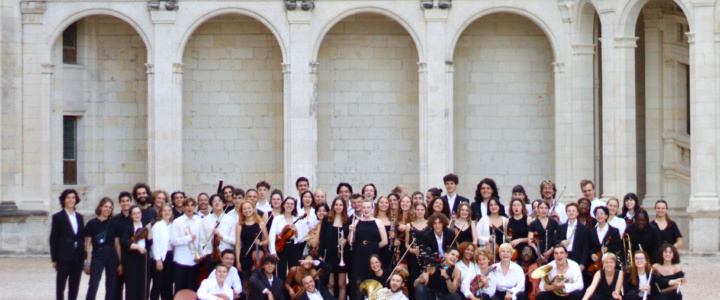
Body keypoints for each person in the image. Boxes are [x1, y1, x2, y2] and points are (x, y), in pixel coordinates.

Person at [50, 189, 86, 300]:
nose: (71, 200)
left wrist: (83, 254)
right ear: (64, 200)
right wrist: (54, 259)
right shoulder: (58, 217)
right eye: (68, 197)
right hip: (63, 257)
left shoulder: (79, 217)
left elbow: (81, 237)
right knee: (61, 286)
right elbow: (53, 238)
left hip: (77, 257)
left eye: (73, 197)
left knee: (74, 287)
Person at [349, 199, 388, 299]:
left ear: (372, 209)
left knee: (371, 278)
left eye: (368, 207)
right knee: (358, 279)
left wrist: (372, 247)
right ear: (361, 209)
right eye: (364, 208)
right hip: (359, 255)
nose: (366, 210)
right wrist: (351, 231)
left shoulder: (378, 222)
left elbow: (385, 241)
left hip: (373, 254)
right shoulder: (356, 222)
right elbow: (351, 241)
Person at [84, 197, 120, 300]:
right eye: (105, 206)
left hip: (112, 254)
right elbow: (87, 244)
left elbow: (117, 244)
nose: (107, 209)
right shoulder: (91, 224)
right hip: (97, 254)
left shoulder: (114, 223)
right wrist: (88, 261)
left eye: (110, 207)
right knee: (94, 283)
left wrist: (120, 261)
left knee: (111, 284)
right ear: (100, 207)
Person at [316, 197, 350, 300]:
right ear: (333, 206)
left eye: (340, 205)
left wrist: (346, 240)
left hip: (342, 256)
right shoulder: (327, 219)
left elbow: (351, 238)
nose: (338, 207)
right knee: (330, 284)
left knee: (341, 284)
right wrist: (320, 255)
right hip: (330, 255)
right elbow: (322, 238)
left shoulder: (347, 220)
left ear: (344, 207)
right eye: (336, 205)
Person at [170, 197, 204, 293]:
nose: (190, 208)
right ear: (184, 207)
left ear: (195, 207)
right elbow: (173, 241)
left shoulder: (199, 221)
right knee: (179, 288)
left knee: (192, 288)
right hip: (181, 260)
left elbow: (201, 240)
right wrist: (188, 238)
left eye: (192, 205)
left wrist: (200, 254)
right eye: (187, 205)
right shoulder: (177, 221)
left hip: (194, 260)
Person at [120, 205, 153, 300]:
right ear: (131, 216)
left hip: (144, 259)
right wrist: (138, 247)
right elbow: (125, 242)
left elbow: (149, 242)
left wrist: (149, 230)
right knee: (132, 286)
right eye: (134, 213)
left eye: (139, 213)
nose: (137, 215)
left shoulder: (145, 226)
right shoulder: (128, 227)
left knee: (144, 286)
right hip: (132, 259)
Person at [269, 197, 304, 282]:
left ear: (294, 206)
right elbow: (272, 236)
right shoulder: (277, 219)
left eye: (292, 204)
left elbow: (300, 239)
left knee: (294, 270)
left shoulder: (297, 219)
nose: (289, 206)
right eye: (287, 203)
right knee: (281, 271)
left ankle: (293, 292)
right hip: (281, 247)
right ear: (283, 205)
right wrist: (273, 252)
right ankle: (281, 293)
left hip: (293, 247)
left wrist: (296, 231)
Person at [236, 201, 269, 286]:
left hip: (258, 255)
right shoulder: (240, 226)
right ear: (242, 211)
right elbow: (238, 245)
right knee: (246, 282)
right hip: (245, 255)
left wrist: (260, 243)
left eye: (249, 208)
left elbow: (267, 240)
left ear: (253, 209)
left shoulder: (260, 223)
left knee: (259, 282)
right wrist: (238, 261)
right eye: (244, 209)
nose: (247, 210)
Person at [553, 203, 590, 272]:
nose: (571, 213)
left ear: (577, 213)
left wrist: (582, 263)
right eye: (569, 211)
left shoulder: (584, 229)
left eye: (573, 211)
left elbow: (585, 248)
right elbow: (554, 241)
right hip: (563, 256)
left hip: (577, 258)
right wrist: (561, 242)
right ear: (566, 213)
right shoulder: (561, 227)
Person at [151, 204, 175, 300]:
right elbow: (155, 244)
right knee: (158, 284)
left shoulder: (173, 225)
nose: (167, 212)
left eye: (169, 210)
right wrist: (158, 259)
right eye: (164, 210)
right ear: (160, 213)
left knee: (168, 285)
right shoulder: (158, 225)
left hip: (170, 257)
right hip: (160, 257)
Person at [405, 202, 429, 298]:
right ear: (414, 211)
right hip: (413, 257)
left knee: (426, 279)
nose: (419, 212)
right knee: (413, 278)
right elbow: (406, 243)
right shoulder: (409, 225)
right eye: (418, 210)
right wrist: (411, 250)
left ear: (425, 211)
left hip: (426, 256)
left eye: (422, 210)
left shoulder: (430, 224)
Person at [200, 194, 229, 272]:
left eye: (219, 201)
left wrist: (221, 236)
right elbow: (202, 240)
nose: (217, 203)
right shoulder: (205, 220)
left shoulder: (231, 220)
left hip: (227, 256)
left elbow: (234, 240)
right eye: (214, 201)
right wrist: (204, 254)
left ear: (224, 204)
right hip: (210, 255)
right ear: (211, 205)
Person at [112, 191, 133, 299]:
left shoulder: (135, 217)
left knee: (131, 287)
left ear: (131, 202)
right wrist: (119, 261)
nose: (125, 203)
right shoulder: (115, 220)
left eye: (127, 201)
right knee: (117, 287)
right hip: (119, 256)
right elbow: (116, 242)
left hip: (132, 256)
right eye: (123, 201)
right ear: (120, 203)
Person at [528, 200, 559, 265]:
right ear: (538, 209)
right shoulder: (533, 224)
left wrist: (550, 251)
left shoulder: (554, 223)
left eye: (546, 208)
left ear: (548, 209)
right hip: (538, 254)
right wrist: (539, 254)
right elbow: (530, 241)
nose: (544, 210)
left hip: (552, 253)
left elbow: (558, 238)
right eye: (541, 208)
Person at [375, 196, 395, 267]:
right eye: (382, 202)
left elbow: (396, 238)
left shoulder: (392, 219)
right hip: (376, 250)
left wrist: (394, 237)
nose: (384, 204)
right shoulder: (373, 218)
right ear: (377, 204)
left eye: (386, 203)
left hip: (388, 251)